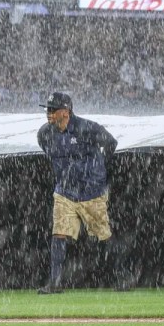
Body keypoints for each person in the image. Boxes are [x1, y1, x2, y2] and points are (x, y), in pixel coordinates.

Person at [36, 92, 130, 294]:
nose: (48, 113)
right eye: (48, 109)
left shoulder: (87, 128)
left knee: (103, 235)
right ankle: (55, 283)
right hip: (65, 192)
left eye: (53, 110)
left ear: (66, 111)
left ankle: (122, 277)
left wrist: (97, 171)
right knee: (59, 233)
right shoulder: (45, 133)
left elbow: (110, 144)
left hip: (92, 192)